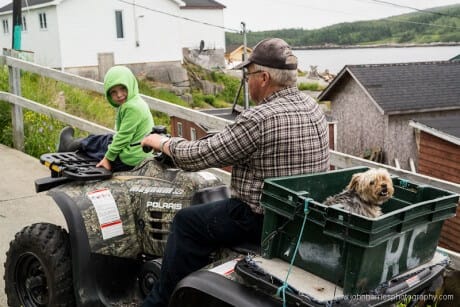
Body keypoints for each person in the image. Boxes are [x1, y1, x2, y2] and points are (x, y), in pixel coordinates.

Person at [140, 38, 330, 307]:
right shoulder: (313, 108)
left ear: (264, 77)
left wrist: (162, 142)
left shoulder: (259, 118)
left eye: (248, 74)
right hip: (300, 219)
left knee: (186, 223)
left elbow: (197, 157)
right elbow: (240, 140)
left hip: (259, 221)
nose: (247, 80)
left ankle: (162, 300)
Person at [57, 65, 154, 172]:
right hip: (138, 152)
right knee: (106, 139)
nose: (119, 95)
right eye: (113, 92)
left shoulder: (132, 107)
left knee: (102, 142)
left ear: (130, 84)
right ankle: (74, 144)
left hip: (130, 159)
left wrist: (108, 158)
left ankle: (71, 145)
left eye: (122, 88)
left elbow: (123, 137)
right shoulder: (135, 100)